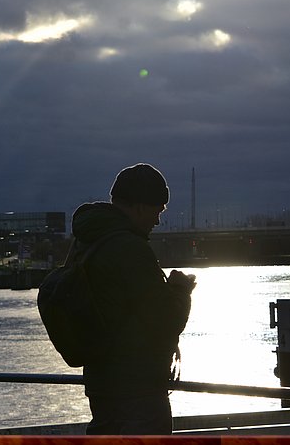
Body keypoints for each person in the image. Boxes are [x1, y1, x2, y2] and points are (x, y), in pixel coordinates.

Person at [70, 162, 197, 435]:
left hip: (102, 384)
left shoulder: (88, 241)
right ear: (140, 207)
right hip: (138, 389)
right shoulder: (129, 248)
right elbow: (166, 320)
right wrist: (180, 290)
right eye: (158, 210)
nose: (158, 220)